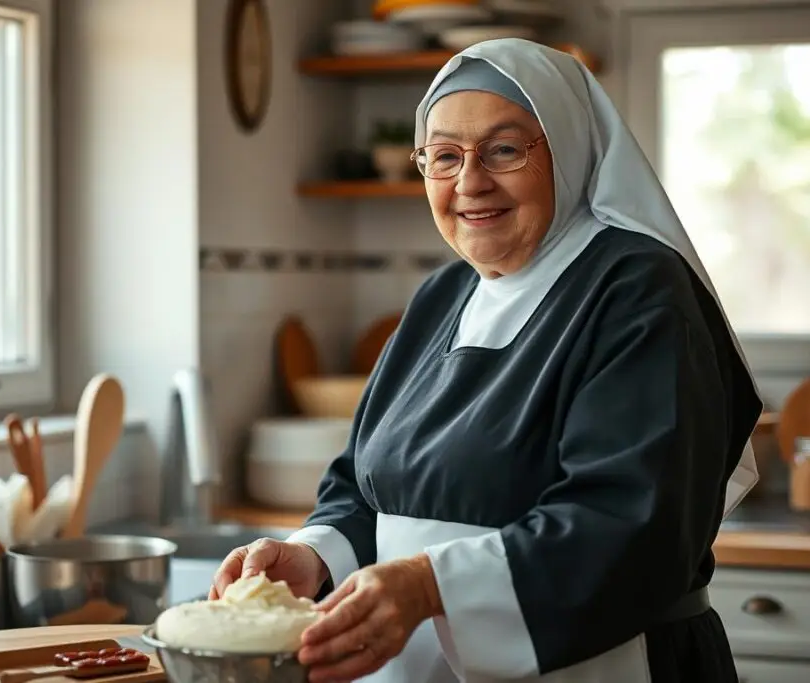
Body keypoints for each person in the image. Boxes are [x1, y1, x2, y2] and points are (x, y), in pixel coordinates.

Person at [211, 38, 762, 683]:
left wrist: (426, 585)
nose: (470, 181)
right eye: (443, 156)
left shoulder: (637, 288)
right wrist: (314, 556)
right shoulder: (445, 294)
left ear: (570, 152)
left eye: (504, 149)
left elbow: (630, 522)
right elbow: (365, 485)